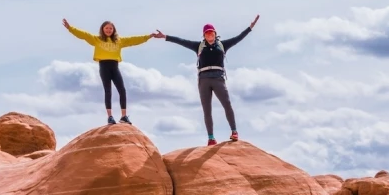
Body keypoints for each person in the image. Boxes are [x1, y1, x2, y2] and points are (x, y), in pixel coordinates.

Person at [153, 15, 259, 146]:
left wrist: (250, 28)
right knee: (207, 109)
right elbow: (182, 41)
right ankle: (211, 138)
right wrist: (165, 37)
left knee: (227, 104)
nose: (210, 35)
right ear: (204, 35)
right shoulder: (198, 46)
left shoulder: (222, 45)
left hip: (218, 79)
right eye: (207, 33)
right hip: (203, 80)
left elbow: (238, 38)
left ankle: (234, 132)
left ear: (215, 34)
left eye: (211, 32)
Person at [63, 19, 153, 125]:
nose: (109, 30)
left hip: (115, 67)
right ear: (102, 29)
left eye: (111, 28)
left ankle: (123, 116)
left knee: (122, 90)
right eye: (106, 28)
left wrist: (148, 36)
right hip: (104, 67)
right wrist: (70, 28)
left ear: (114, 30)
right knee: (108, 91)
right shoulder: (97, 39)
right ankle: (110, 117)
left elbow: (134, 40)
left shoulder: (119, 41)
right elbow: (83, 35)